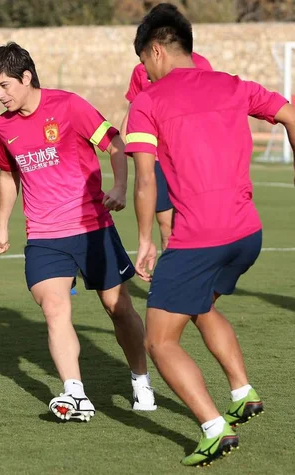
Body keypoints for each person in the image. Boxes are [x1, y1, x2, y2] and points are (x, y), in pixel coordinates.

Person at [125, 3, 295, 466]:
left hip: (199, 238)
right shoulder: (233, 84)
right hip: (248, 235)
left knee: (159, 340)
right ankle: (242, 393)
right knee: (200, 306)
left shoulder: (147, 102)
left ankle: (213, 427)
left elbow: (144, 180)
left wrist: (144, 241)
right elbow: (290, 114)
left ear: (156, 50)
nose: (144, 72)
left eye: (143, 62)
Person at [0, 42, 157, 422]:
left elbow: (114, 144)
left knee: (117, 307)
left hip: (92, 228)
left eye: (5, 85)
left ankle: (141, 379)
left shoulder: (69, 106)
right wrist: (1, 224)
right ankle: (75, 394)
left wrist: (120, 187)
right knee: (55, 307)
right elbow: (8, 173)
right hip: (44, 236)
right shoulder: (3, 126)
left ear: (27, 77)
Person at [119, 52, 212, 251]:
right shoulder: (142, 69)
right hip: (157, 157)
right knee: (166, 223)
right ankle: (173, 274)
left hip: (189, 157)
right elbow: (134, 105)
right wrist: (125, 134)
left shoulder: (200, 64)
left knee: (193, 223)